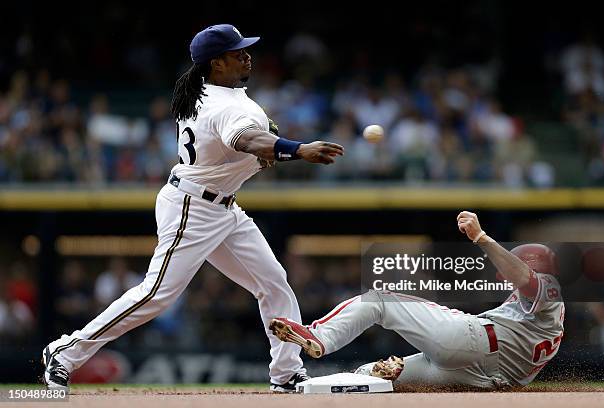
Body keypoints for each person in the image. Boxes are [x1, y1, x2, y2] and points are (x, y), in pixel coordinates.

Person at [42, 23, 344, 393]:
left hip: (222, 207)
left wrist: (261, 154)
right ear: (216, 64)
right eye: (237, 52)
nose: (247, 55)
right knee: (156, 294)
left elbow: (235, 145)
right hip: (194, 208)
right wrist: (295, 149)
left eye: (245, 49)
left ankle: (286, 373)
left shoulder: (203, 92)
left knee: (273, 283)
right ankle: (64, 352)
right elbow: (247, 138)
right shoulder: (223, 103)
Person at [270, 211, 565, 390]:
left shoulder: (550, 291)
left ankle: (320, 335)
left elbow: (525, 278)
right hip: (486, 380)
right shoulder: (541, 317)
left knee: (381, 300)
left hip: (474, 342)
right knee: (371, 378)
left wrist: (481, 237)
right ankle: (305, 389)